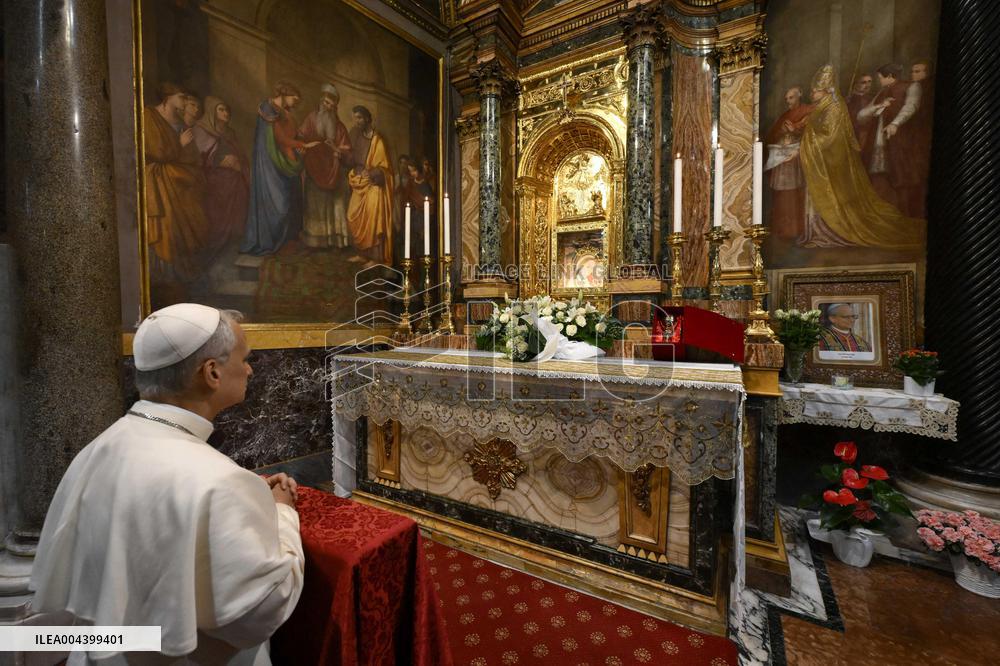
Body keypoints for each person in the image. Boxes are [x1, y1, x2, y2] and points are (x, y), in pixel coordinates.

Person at [31, 304, 305, 665]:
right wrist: (282, 513)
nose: (250, 368)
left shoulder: (101, 446)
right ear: (212, 373)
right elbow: (260, 611)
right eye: (245, 358)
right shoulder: (221, 480)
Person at [798, 65, 923, 250]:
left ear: (824, 90)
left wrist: (808, 140)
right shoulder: (826, 105)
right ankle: (817, 231)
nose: (813, 94)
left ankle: (830, 231)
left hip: (833, 160)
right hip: (821, 161)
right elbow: (862, 115)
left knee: (898, 178)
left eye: (815, 91)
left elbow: (832, 136)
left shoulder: (834, 106)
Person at [143, 83, 209, 297]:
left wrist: (185, 153)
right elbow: (157, 152)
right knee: (167, 227)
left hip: (179, 180)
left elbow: (191, 154)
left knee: (189, 220)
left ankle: (181, 271)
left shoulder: (179, 121)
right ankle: (165, 275)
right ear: (168, 97)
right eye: (181, 97)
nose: (184, 101)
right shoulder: (148, 116)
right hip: (159, 181)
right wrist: (179, 144)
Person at [241, 81, 320, 256]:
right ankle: (273, 242)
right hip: (272, 165)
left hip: (288, 162)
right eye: (294, 98)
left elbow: (292, 134)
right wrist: (303, 144)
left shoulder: (286, 113)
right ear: (286, 93)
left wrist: (300, 144)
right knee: (279, 203)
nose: (296, 103)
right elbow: (280, 139)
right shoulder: (268, 109)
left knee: (292, 201)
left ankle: (288, 242)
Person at [856, 63, 925, 216]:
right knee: (880, 178)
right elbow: (861, 116)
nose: (879, 81)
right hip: (879, 142)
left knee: (902, 176)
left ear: (889, 76)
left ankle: (905, 215)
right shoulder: (882, 92)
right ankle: (884, 216)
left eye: (880, 78)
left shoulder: (912, 86)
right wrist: (879, 106)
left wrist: (895, 123)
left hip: (901, 140)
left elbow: (911, 106)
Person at [193, 96, 250, 260]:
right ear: (212, 111)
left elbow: (241, 155)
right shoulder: (201, 129)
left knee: (241, 199)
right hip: (214, 181)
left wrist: (239, 165)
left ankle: (233, 245)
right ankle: (216, 248)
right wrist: (220, 162)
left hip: (234, 179)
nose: (226, 113)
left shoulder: (229, 132)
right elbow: (197, 159)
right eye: (221, 109)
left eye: (227, 110)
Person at [299, 84, 353, 249]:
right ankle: (315, 242)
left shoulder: (340, 127)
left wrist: (339, 152)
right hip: (314, 168)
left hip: (335, 172)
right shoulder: (310, 119)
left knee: (335, 206)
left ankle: (335, 242)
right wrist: (302, 145)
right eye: (326, 103)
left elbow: (348, 151)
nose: (328, 107)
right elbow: (301, 136)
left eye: (332, 105)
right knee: (315, 206)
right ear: (321, 102)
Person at [763, 86, 813, 240]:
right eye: (787, 99)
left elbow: (812, 133)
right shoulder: (785, 116)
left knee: (795, 194)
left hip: (796, 159)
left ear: (799, 96)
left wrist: (795, 130)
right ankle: (781, 230)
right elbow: (773, 135)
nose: (788, 101)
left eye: (791, 98)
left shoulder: (808, 111)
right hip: (782, 159)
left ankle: (795, 229)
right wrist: (783, 132)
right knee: (781, 196)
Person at [346, 105, 394, 264]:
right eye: (355, 118)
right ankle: (362, 254)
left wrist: (372, 173)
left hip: (374, 186)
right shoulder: (357, 137)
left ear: (367, 118)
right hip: (359, 182)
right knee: (353, 216)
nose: (357, 121)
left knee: (373, 219)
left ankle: (376, 257)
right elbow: (352, 160)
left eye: (359, 118)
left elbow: (384, 168)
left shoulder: (378, 140)